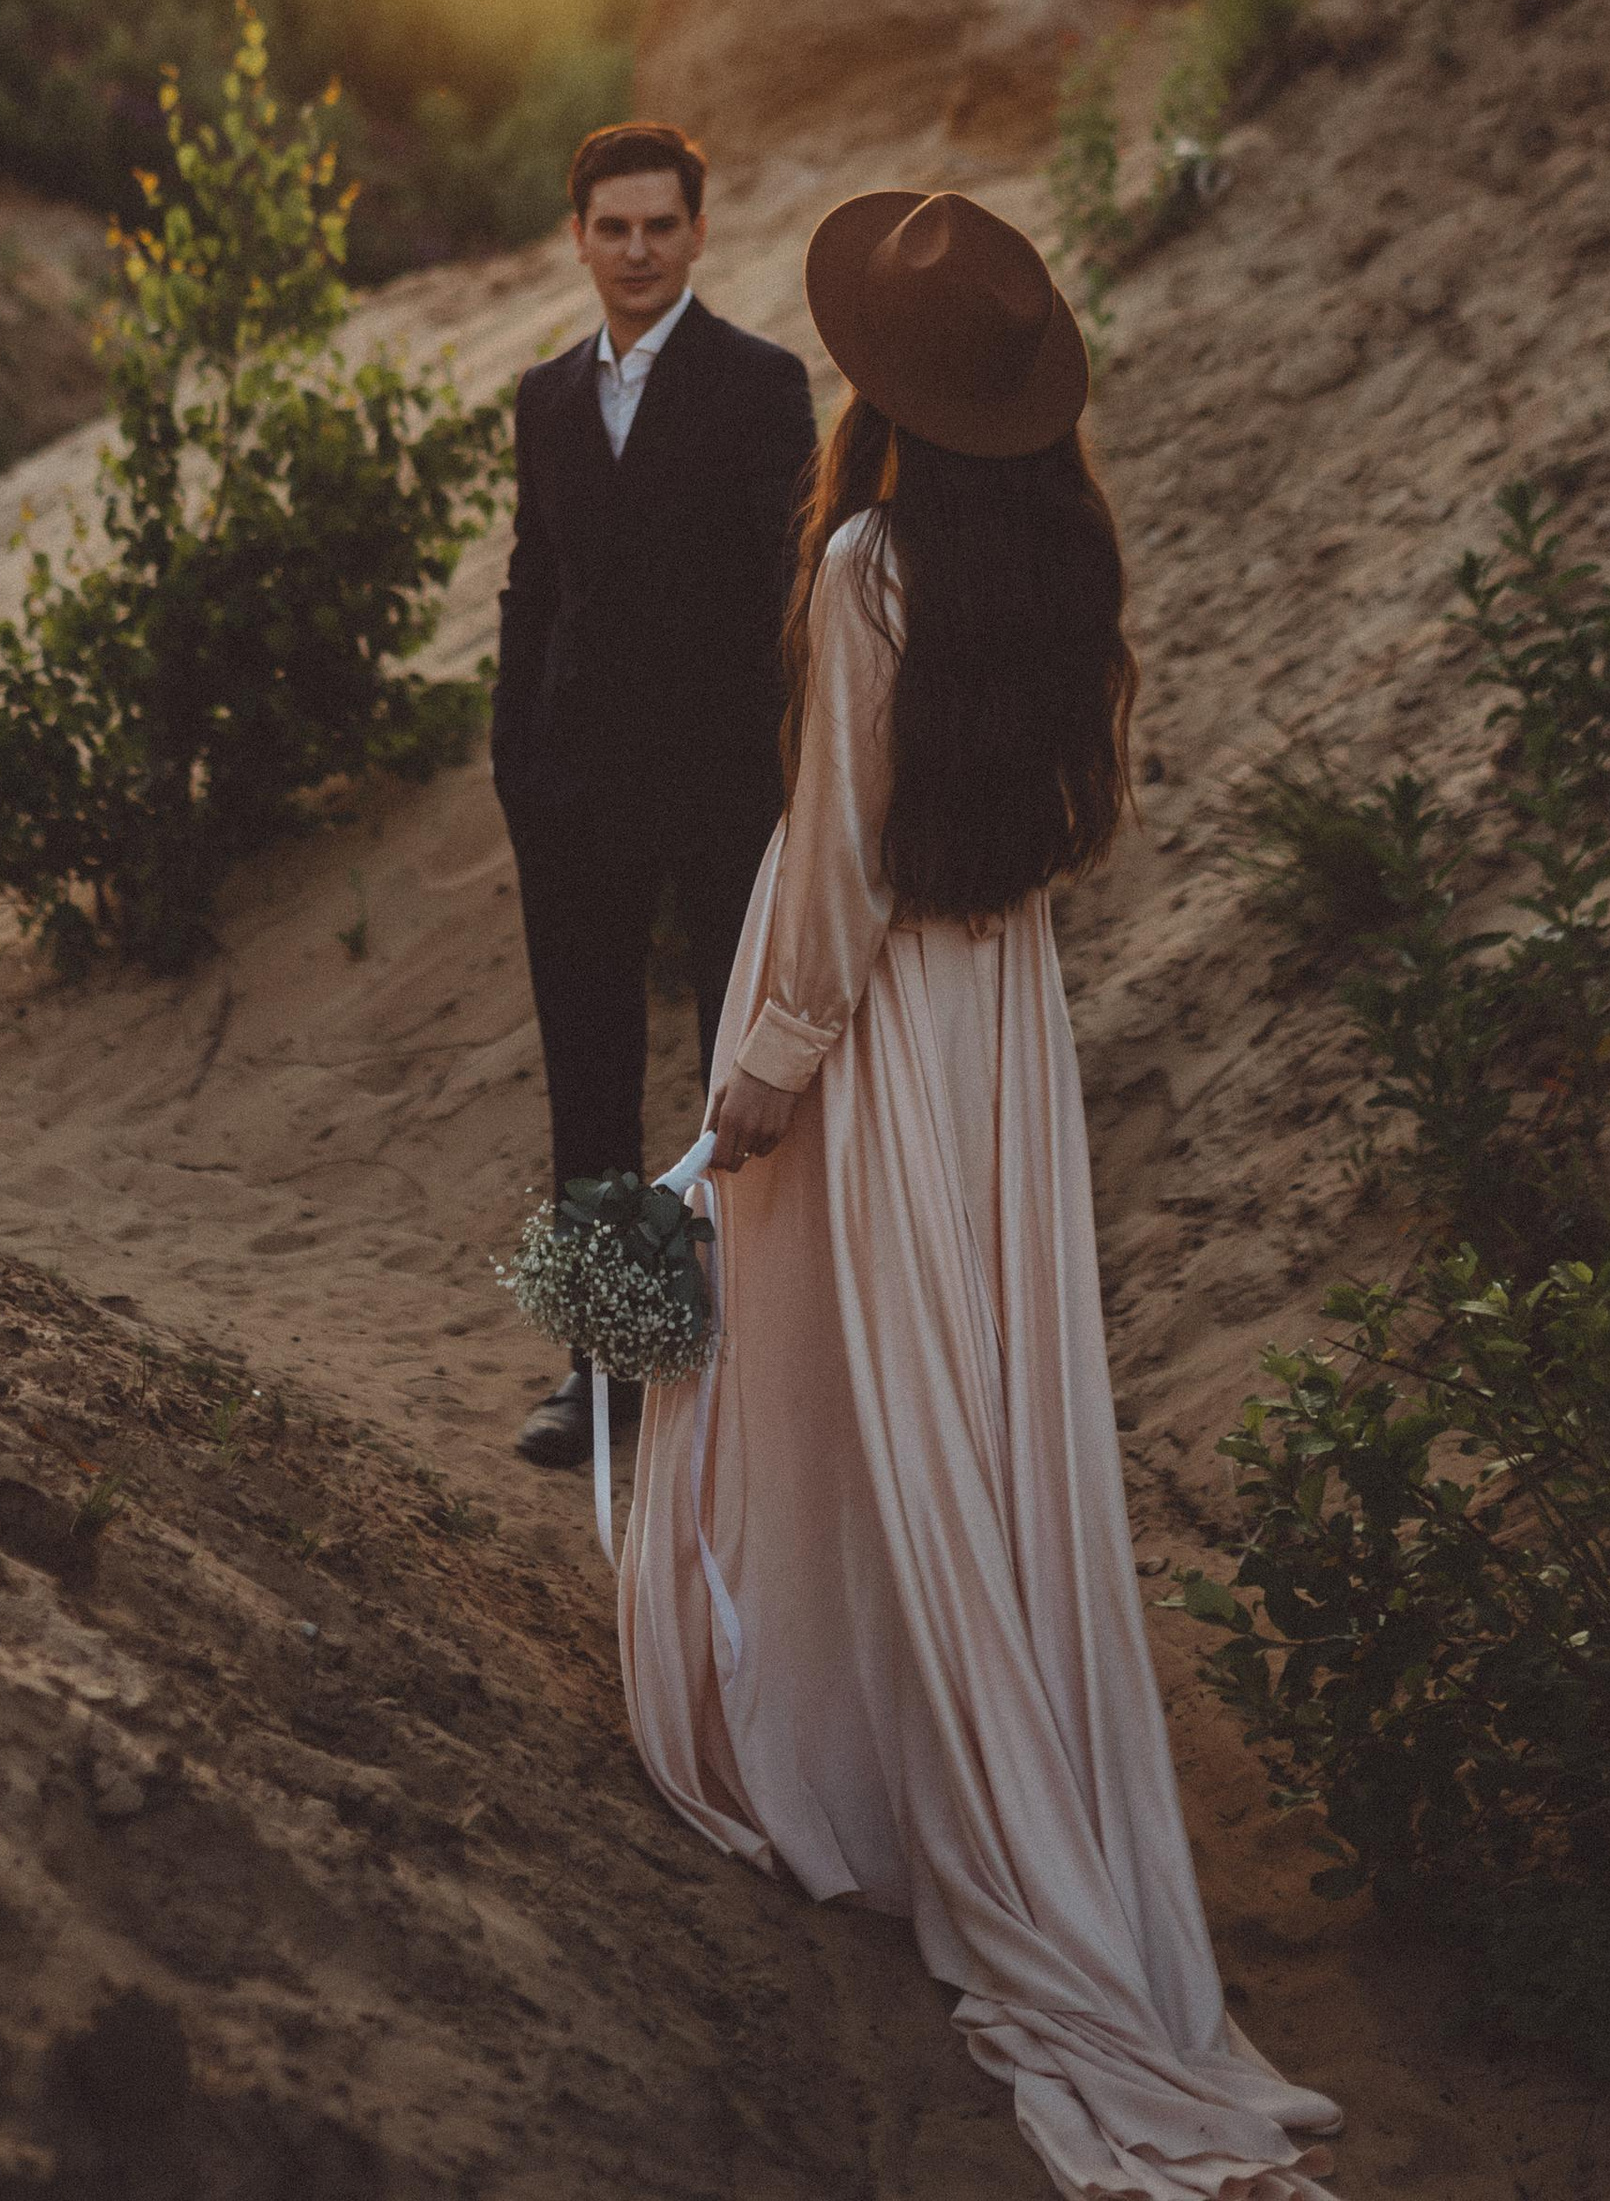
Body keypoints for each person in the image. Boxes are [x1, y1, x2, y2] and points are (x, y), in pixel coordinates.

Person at [619, 188, 1344, 2201]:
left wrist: (764, 1071)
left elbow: (841, 854)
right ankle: (953, 1737)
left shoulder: (866, 552)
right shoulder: (1056, 543)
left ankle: (880, 1769)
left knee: (866, 1380)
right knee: (960, 1387)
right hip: (991, 1011)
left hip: (865, 1013)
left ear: (877, 381)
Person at [493, 118, 818, 1472]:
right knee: (589, 1078)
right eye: (610, 226)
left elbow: (789, 590)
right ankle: (606, 1371)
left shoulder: (761, 383)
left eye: (659, 226)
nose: (635, 249)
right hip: (571, 787)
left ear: (698, 233)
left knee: (723, 1082)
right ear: (576, 236)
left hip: (721, 782)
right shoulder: (547, 393)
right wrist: (516, 754)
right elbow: (533, 584)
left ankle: (738, 1370)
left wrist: (784, 767)